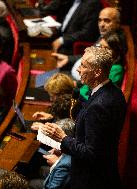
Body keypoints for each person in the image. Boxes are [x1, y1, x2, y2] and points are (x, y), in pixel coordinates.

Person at [41, 46, 127, 189]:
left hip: (91, 180)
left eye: (83, 66)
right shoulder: (112, 91)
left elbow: (90, 153)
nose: (78, 70)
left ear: (98, 72)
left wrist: (63, 138)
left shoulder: (99, 106)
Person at [52, 7, 127, 79]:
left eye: (107, 21)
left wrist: (76, 84)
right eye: (99, 20)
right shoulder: (105, 34)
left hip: (80, 83)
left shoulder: (114, 42)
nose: (102, 25)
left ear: (117, 23)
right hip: (76, 73)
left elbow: (98, 77)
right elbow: (90, 55)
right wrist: (68, 58)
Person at [29, 118, 75, 189]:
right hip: (68, 173)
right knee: (41, 169)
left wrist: (57, 163)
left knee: (30, 183)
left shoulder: (63, 165)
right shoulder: (75, 143)